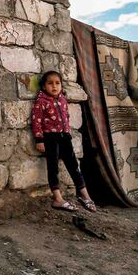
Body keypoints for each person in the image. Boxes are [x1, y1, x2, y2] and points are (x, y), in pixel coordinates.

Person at [31, 70, 97, 212]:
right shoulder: (41, 102)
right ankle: (58, 199)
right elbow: (36, 121)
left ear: (61, 85)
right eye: (50, 83)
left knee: (73, 166)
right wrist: (39, 139)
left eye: (57, 83)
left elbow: (66, 116)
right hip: (50, 138)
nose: (54, 86)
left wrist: (66, 132)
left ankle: (85, 195)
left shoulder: (62, 99)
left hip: (64, 137)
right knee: (53, 168)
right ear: (43, 86)